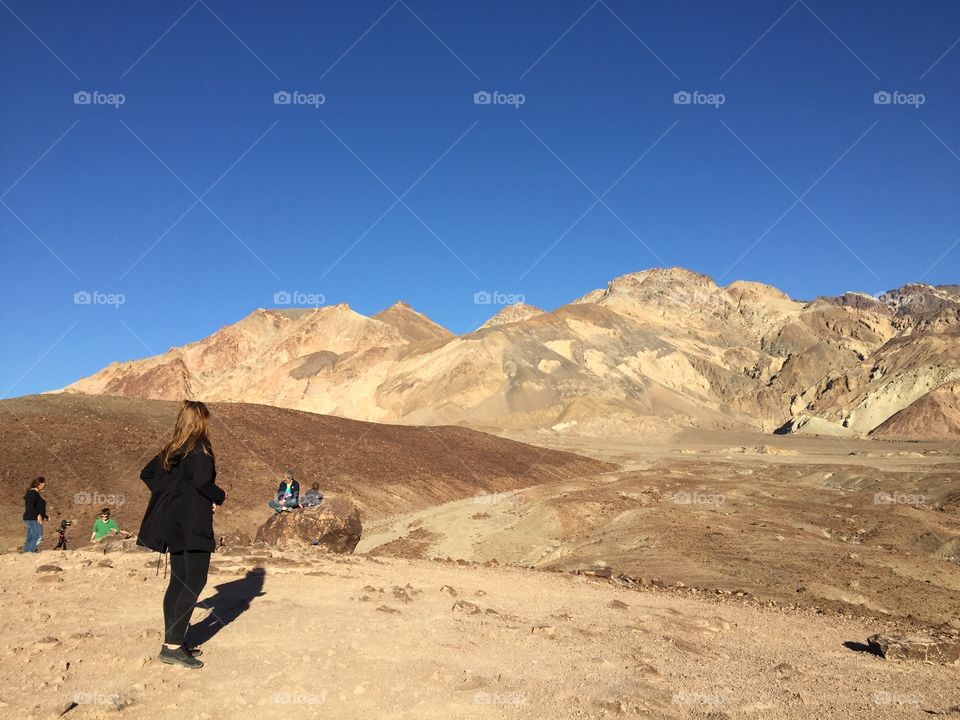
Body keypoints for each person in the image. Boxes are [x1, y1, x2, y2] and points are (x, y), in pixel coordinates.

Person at [138, 400, 226, 670]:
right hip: (193, 524)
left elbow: (147, 473)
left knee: (178, 582)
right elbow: (201, 483)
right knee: (193, 582)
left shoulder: (171, 449)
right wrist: (220, 495)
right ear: (200, 422)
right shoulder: (200, 448)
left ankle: (172, 642)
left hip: (172, 524)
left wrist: (169, 492)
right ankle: (174, 647)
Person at [23, 477, 48, 553]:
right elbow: (30, 506)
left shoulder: (33, 493)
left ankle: (27, 553)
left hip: (32, 518)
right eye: (44, 483)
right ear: (40, 484)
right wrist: (38, 515)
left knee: (31, 537)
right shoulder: (32, 493)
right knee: (38, 536)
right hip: (33, 518)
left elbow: (37, 507)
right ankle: (30, 552)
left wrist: (45, 516)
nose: (45, 485)